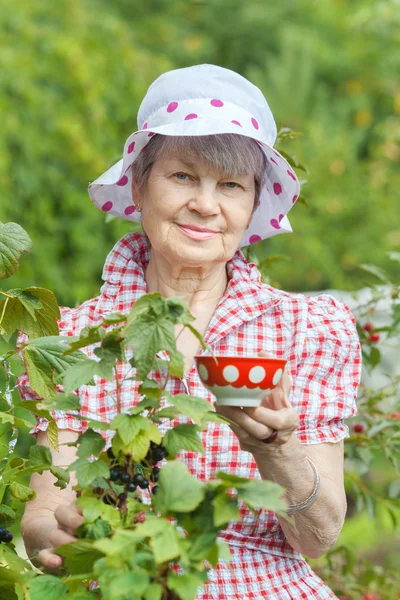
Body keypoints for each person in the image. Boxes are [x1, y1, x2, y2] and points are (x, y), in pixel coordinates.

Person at [18, 64, 362, 599]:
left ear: (251, 205)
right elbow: (42, 513)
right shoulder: (71, 340)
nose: (206, 204)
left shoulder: (308, 330)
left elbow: (320, 536)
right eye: (183, 176)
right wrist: (68, 535)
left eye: (230, 185)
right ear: (139, 184)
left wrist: (276, 449)